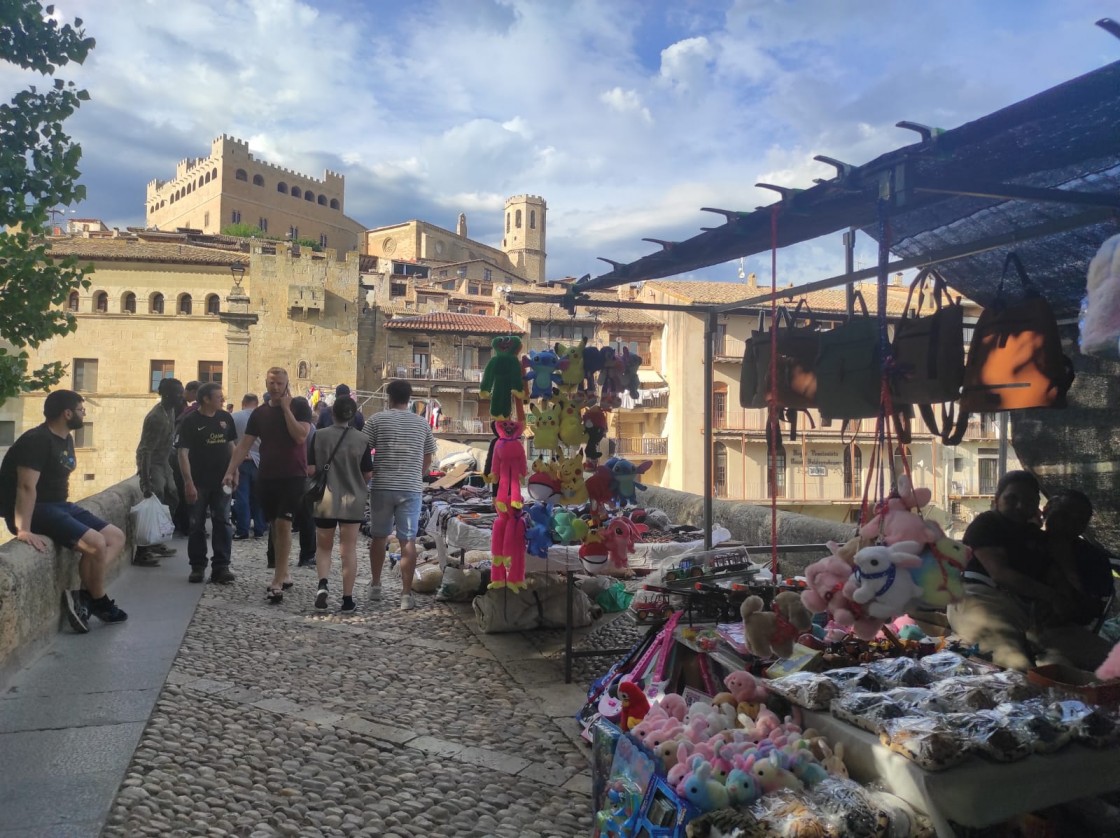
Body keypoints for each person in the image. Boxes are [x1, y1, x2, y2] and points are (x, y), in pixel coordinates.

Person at [947, 471, 1112, 672]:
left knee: (1105, 659)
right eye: (1012, 498)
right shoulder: (987, 523)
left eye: (1028, 501)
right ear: (997, 499)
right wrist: (1052, 596)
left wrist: (1060, 602)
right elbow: (1001, 574)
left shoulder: (1040, 539)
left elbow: (1058, 581)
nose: (1019, 506)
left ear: (1036, 507)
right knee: (1016, 666)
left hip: (1031, 615)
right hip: (980, 600)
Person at [0, 390, 128, 633]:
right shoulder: (36, 440)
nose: (84, 413)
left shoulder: (66, 438)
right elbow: (26, 487)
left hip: (60, 505)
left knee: (116, 537)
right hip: (37, 509)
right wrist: (23, 529)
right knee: (97, 544)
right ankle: (99, 601)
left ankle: (84, 595)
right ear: (66, 413)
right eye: (81, 410)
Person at [223, 367, 311, 603]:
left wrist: (285, 409)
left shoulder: (300, 406)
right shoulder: (259, 413)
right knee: (275, 525)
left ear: (286, 384)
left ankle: (277, 581)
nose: (275, 387)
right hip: (267, 475)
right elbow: (244, 445)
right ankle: (285, 572)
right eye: (271, 383)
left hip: (293, 476)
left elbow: (300, 436)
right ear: (265, 383)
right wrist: (230, 470)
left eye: (279, 383)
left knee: (283, 524)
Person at [362, 379, 436, 610]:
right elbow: (428, 456)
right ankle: (405, 595)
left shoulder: (376, 420)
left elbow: (363, 449)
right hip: (411, 488)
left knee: (379, 537)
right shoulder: (421, 424)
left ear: (389, 397)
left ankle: (375, 586)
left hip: (382, 486)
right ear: (409, 399)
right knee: (408, 541)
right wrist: (418, 474)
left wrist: (370, 474)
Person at [310, 396, 373, 612]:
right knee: (348, 550)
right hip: (352, 500)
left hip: (325, 499)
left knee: (324, 547)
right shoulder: (362, 440)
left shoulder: (319, 436)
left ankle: (323, 583)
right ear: (353, 415)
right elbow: (367, 473)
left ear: (332, 413)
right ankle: (347, 599)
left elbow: (310, 470)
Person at [177, 382, 238, 584]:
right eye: (219, 396)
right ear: (206, 399)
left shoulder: (225, 418)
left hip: (222, 481)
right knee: (196, 525)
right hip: (199, 482)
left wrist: (234, 470)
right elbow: (183, 454)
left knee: (223, 522)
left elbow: (231, 446)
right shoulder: (190, 421)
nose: (222, 399)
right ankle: (197, 566)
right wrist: (188, 483)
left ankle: (221, 567)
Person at [133, 377, 184, 567]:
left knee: (173, 496)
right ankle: (143, 549)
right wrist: (146, 480)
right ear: (168, 394)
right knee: (156, 496)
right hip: (153, 462)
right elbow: (145, 450)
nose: (181, 396)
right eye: (178, 393)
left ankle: (157, 540)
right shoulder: (155, 417)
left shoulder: (170, 410)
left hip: (164, 461)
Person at [230, 393, 267, 540]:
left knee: (242, 496)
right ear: (256, 403)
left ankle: (242, 529)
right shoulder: (264, 417)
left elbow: (230, 441)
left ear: (243, 403)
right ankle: (259, 528)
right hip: (260, 461)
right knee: (258, 497)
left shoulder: (234, 417)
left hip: (241, 460)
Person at [170, 380, 201, 536]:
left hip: (180, 455)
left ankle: (187, 525)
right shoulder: (187, 411)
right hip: (183, 456)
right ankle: (188, 526)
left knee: (184, 493)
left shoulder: (185, 410)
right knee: (186, 494)